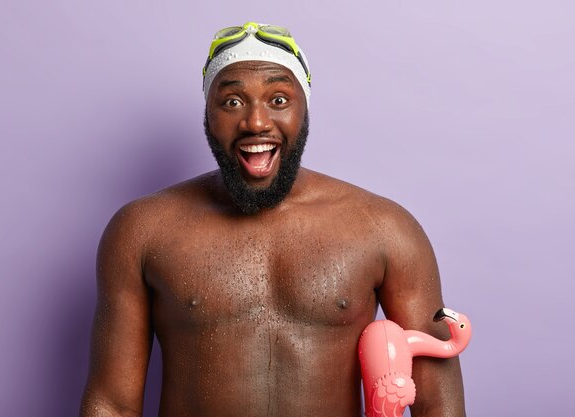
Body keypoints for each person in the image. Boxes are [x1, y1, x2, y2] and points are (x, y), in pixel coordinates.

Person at [80, 22, 466, 417]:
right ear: (207, 113)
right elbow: (112, 404)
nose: (256, 122)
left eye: (278, 99)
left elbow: (439, 405)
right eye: (232, 102)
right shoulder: (142, 231)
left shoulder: (385, 229)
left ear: (304, 108)